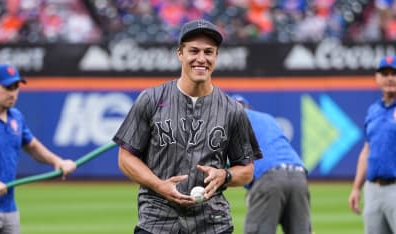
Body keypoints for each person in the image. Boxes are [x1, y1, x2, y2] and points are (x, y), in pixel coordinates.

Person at [113, 19, 262, 234]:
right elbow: (125, 158)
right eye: (194, 51)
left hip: (212, 223)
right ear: (180, 54)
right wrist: (158, 185)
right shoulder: (151, 99)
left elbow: (246, 170)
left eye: (208, 52)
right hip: (157, 221)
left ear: (216, 57)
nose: (201, 59)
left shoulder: (232, 109)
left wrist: (225, 175)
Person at [0, 64, 77, 234]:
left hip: (10, 209)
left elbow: (31, 145)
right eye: (7, 87)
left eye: (16, 87)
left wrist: (57, 161)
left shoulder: (16, 116)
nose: (12, 93)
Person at [231, 94, 312, 234]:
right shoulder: (267, 118)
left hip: (269, 177)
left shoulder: (230, 120)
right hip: (299, 174)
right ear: (248, 107)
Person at [349, 55, 396, 234]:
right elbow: (367, 151)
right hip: (373, 189)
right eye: (385, 73)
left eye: (394, 73)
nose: (390, 78)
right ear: (377, 78)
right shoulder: (373, 110)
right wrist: (356, 188)